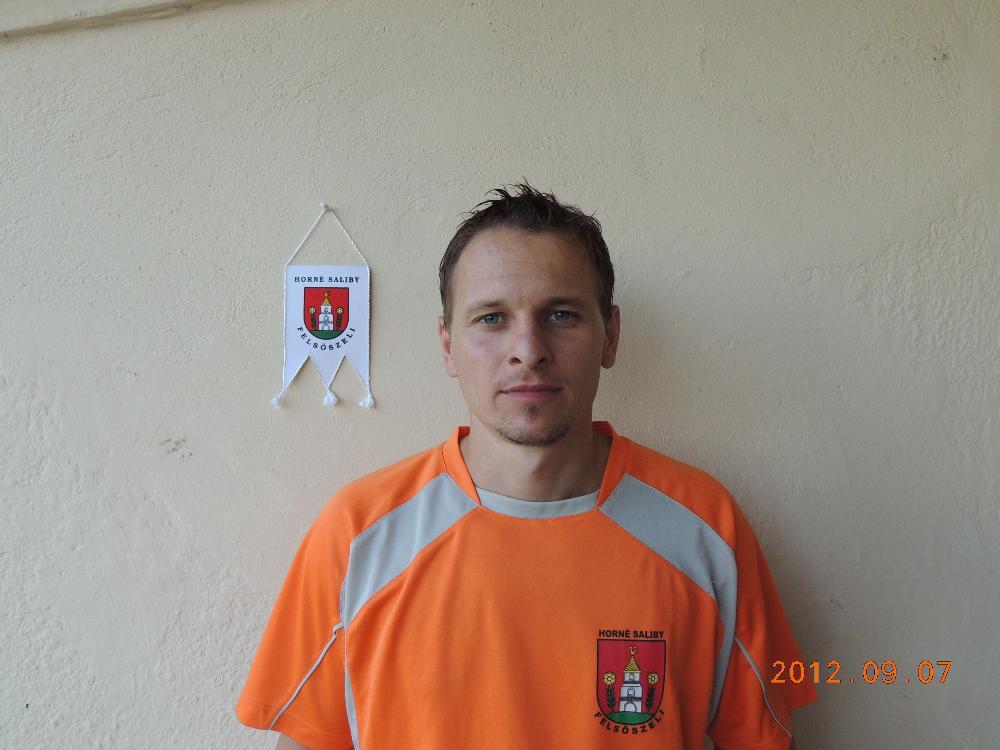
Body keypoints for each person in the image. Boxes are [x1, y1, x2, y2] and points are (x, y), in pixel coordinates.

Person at [236, 184, 817, 749]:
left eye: (561, 314)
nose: (528, 350)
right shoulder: (358, 537)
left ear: (611, 336)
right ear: (448, 345)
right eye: (491, 318)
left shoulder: (705, 529)